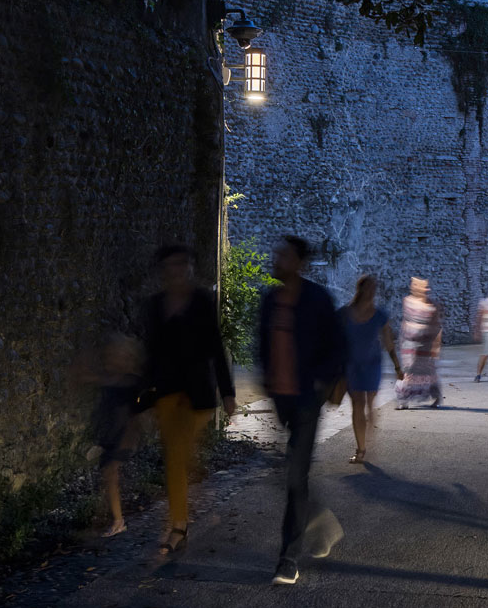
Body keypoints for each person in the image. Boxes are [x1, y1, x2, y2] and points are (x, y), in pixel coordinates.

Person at [259, 235, 348, 585]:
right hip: (281, 400)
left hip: (307, 400)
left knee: (295, 475)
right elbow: (263, 346)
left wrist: (324, 384)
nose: (276, 259)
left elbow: (336, 346)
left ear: (299, 262)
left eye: (283, 255)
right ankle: (320, 520)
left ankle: (288, 558)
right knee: (289, 474)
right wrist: (268, 385)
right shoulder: (271, 301)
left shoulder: (316, 299)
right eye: (277, 253)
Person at [138, 245, 236, 556]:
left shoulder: (201, 303)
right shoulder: (155, 306)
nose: (178, 271)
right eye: (172, 266)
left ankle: (179, 521)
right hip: (166, 392)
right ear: (164, 271)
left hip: (198, 395)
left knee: (179, 455)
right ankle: (179, 523)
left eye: (183, 265)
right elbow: (150, 354)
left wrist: (228, 391)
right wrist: (139, 400)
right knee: (176, 458)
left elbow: (215, 347)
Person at [77, 333, 144, 538]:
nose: (111, 360)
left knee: (111, 475)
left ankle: (118, 521)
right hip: (108, 434)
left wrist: (128, 440)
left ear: (127, 358)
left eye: (116, 356)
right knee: (107, 477)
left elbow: (135, 415)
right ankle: (108, 518)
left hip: (121, 436)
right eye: (110, 356)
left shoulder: (131, 382)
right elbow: (86, 377)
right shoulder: (112, 379)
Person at [342, 274, 400, 465]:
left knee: (369, 402)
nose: (371, 292)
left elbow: (389, 343)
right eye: (368, 288)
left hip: (373, 365)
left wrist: (397, 367)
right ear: (360, 289)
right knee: (357, 403)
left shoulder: (380, 315)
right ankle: (361, 448)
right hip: (351, 366)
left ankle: (369, 437)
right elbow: (333, 339)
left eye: (374, 288)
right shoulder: (345, 313)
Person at [396, 277, 444, 408]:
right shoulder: (408, 302)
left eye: (425, 287)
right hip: (409, 344)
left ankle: (436, 396)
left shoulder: (432, 306)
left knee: (428, 371)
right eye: (421, 286)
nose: (425, 290)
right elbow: (405, 322)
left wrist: (436, 346)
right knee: (409, 371)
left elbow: (437, 326)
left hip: (426, 344)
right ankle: (403, 399)